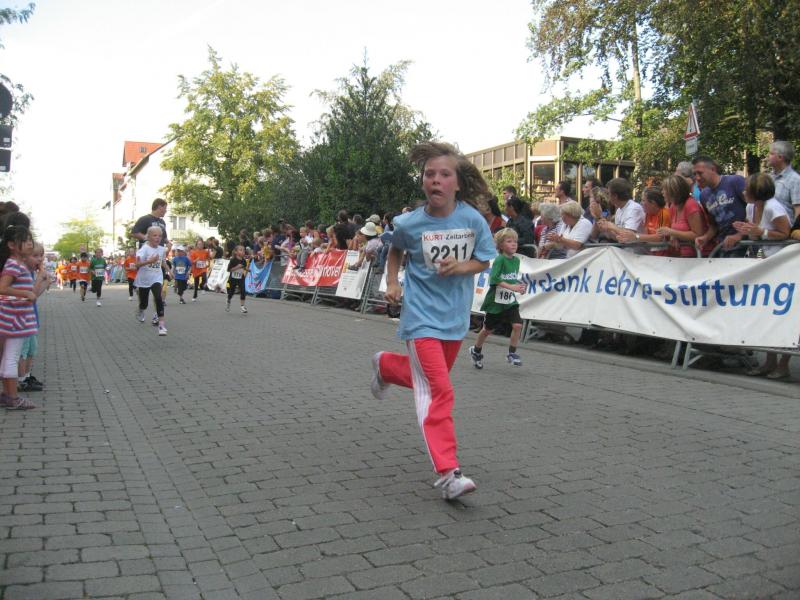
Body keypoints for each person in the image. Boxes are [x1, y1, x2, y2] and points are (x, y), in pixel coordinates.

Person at [371, 141, 496, 501]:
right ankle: (448, 473)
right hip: (420, 318)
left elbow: (484, 260)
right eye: (429, 174)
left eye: (444, 174)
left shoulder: (472, 220)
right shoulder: (409, 223)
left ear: (457, 182)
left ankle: (385, 366)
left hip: (454, 320)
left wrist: (462, 266)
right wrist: (393, 282)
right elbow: (395, 249)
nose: (436, 180)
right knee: (439, 390)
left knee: (423, 379)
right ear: (423, 181)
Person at [733, 173, 792, 379]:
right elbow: (753, 233)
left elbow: (785, 233)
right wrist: (744, 231)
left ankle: (783, 364)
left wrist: (762, 232)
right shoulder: (751, 208)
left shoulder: (774, 208)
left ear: (756, 192)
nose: (743, 192)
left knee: (782, 315)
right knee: (765, 315)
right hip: (763, 264)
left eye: (747, 189)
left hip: (780, 264)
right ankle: (770, 361)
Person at [0, 224, 45, 409]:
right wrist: (25, 294)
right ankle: (12, 397)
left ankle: (7, 395)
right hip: (14, 321)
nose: (29, 243)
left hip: (14, 318)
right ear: (12, 245)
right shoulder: (14, 264)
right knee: (11, 357)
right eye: (25, 240)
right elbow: (2, 288)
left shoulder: (18, 265)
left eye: (29, 240)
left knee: (8, 357)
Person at [469, 228, 526, 369]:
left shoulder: (516, 261)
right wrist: (512, 287)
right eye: (509, 241)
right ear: (500, 245)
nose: (514, 244)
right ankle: (476, 350)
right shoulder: (500, 260)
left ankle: (512, 353)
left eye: (515, 241)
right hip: (495, 302)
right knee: (487, 330)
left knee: (518, 325)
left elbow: (511, 279)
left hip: (509, 301)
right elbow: (494, 279)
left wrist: (519, 286)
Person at [691, 155, 747, 256]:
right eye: (694, 174)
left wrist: (739, 236)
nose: (697, 178)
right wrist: (705, 238)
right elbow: (714, 225)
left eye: (700, 173)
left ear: (713, 169)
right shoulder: (704, 195)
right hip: (723, 246)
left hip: (746, 244)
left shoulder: (735, 181)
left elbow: (755, 210)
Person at [656, 175, 712, 257]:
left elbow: (698, 234)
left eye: (665, 189)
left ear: (673, 191)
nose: (662, 192)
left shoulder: (690, 205)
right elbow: (677, 230)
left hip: (702, 255)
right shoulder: (673, 207)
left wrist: (671, 232)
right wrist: (673, 237)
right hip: (686, 255)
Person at [18, 242, 47, 393]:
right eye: (35, 256)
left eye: (41, 255)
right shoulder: (22, 272)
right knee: (22, 351)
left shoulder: (30, 272)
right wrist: (40, 279)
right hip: (23, 318)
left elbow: (35, 296)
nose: (39, 259)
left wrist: (45, 282)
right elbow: (30, 296)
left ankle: (26, 376)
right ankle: (20, 379)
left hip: (31, 317)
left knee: (31, 349)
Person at [134, 226, 168, 336]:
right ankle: (141, 309)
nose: (158, 238)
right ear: (148, 237)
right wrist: (149, 261)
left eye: (160, 236)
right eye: (155, 235)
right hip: (144, 279)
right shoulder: (143, 250)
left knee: (158, 297)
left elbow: (163, 262)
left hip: (156, 277)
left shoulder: (162, 249)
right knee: (144, 303)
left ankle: (161, 326)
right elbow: (137, 264)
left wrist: (170, 271)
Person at [617, 187, 671, 254]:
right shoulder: (648, 213)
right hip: (653, 255)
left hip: (665, 256)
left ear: (653, 203)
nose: (641, 203)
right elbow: (646, 234)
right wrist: (627, 238)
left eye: (643, 200)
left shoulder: (664, 213)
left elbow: (659, 238)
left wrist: (635, 237)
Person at [593, 177, 645, 246]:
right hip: (623, 248)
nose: (607, 197)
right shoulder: (619, 210)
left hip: (636, 250)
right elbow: (618, 238)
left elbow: (628, 237)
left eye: (608, 194)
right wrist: (605, 229)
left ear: (615, 196)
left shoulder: (634, 208)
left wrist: (611, 226)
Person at [768, 141, 800, 219]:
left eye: (771, 154)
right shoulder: (768, 178)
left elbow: (798, 210)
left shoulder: (795, 180)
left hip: (786, 226)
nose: (768, 156)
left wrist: (796, 226)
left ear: (780, 157)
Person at [226, 244, 249, 314]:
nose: (243, 251)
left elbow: (243, 267)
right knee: (232, 292)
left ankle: (242, 306)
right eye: (241, 250)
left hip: (241, 278)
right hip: (233, 279)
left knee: (243, 291)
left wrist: (247, 270)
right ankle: (228, 300)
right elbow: (228, 270)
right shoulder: (233, 260)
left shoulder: (244, 261)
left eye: (244, 250)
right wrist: (237, 267)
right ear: (236, 252)